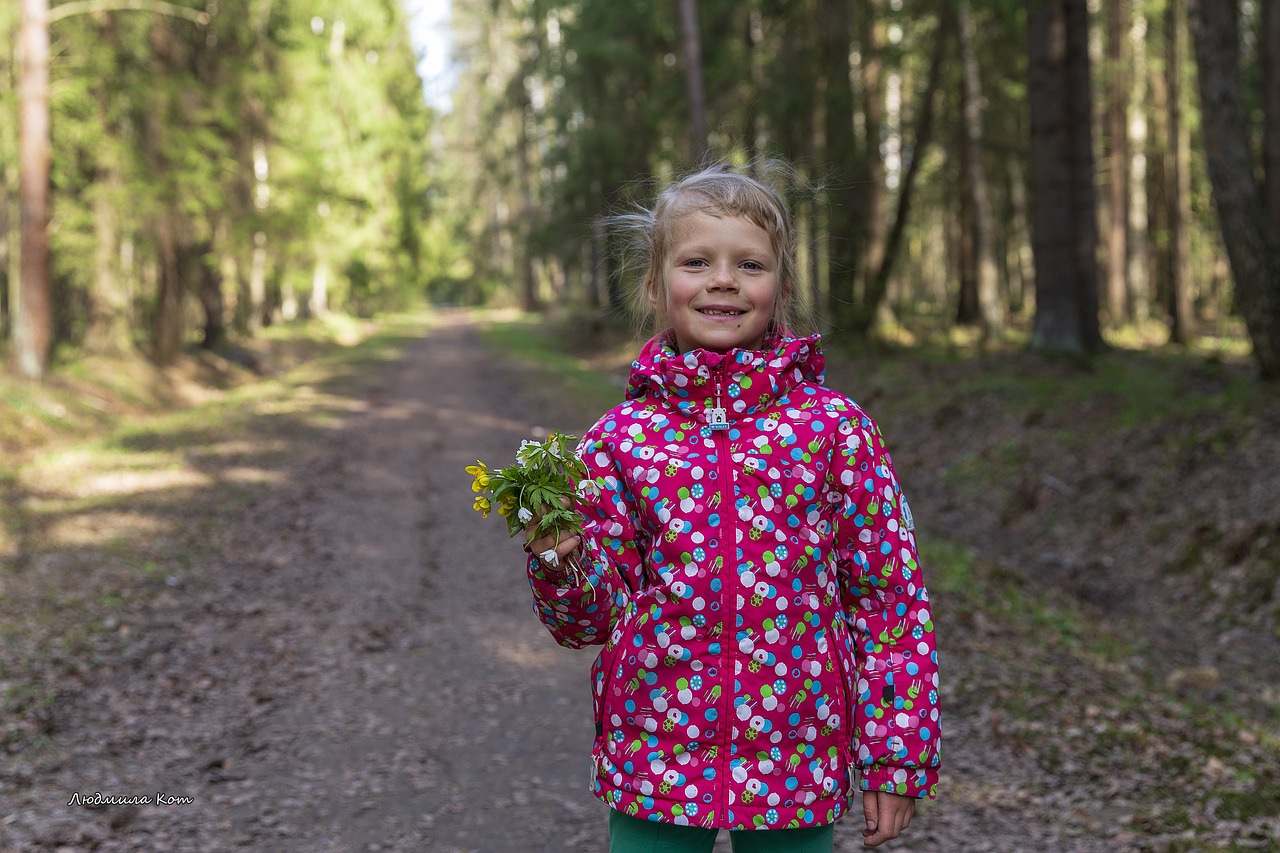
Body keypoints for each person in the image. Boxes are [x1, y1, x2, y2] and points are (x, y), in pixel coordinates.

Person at [524, 163, 940, 853]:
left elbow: (889, 600)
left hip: (795, 754)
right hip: (655, 751)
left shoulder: (833, 429)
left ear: (781, 286)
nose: (724, 280)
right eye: (697, 261)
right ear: (657, 287)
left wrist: (896, 756)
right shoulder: (621, 440)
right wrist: (559, 555)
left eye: (749, 263)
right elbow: (589, 620)